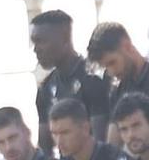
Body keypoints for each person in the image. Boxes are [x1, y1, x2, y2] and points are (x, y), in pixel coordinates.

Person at [32, 9, 110, 150]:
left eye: (41, 41)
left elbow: (101, 144)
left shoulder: (93, 79)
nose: (35, 49)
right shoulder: (46, 88)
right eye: (34, 42)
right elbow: (45, 148)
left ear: (64, 38)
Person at [85, 21, 149, 135]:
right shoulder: (117, 90)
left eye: (112, 63)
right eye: (106, 67)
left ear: (127, 47)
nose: (111, 72)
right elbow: (114, 140)